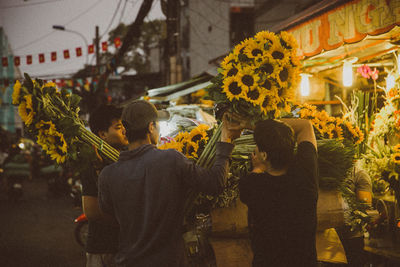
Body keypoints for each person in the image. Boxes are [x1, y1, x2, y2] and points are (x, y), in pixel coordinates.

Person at [98, 100, 243, 267]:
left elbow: (108, 215)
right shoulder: (170, 160)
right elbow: (215, 184)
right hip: (168, 261)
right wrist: (225, 141)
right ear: (151, 127)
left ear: (125, 130)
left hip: (127, 261)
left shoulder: (107, 175)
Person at [239, 118, 318, 267]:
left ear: (264, 156)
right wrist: (252, 123)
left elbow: (253, 178)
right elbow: (306, 125)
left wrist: (257, 167)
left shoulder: (252, 185)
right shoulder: (306, 176)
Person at [81, 104, 129, 267]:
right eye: (118, 127)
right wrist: (131, 222)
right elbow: (92, 211)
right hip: (104, 249)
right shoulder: (93, 160)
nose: (124, 131)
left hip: (128, 247)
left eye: (124, 126)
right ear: (102, 134)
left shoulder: (126, 156)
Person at [335, 164, 372, 267]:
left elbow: (364, 208)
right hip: (326, 237)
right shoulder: (321, 170)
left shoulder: (359, 174)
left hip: (351, 237)